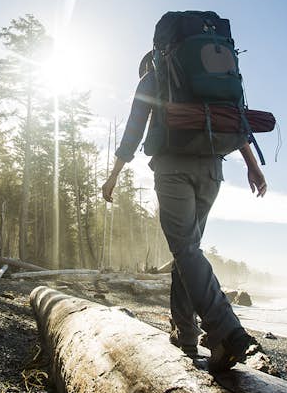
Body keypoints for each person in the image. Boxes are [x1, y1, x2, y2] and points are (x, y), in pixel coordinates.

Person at [102, 51, 267, 373]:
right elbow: (235, 121)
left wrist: (114, 174)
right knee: (187, 251)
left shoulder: (153, 78)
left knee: (185, 249)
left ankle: (226, 331)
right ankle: (186, 336)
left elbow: (133, 130)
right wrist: (253, 167)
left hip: (172, 168)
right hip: (211, 172)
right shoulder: (209, 85)